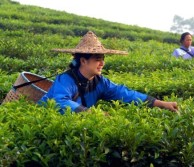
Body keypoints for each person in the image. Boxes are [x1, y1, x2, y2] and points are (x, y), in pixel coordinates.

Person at [39, 31, 178, 114]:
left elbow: (124, 93)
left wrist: (160, 103)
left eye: (103, 59)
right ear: (83, 61)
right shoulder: (66, 80)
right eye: (97, 59)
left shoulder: (100, 82)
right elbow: (59, 101)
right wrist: (91, 114)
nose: (102, 63)